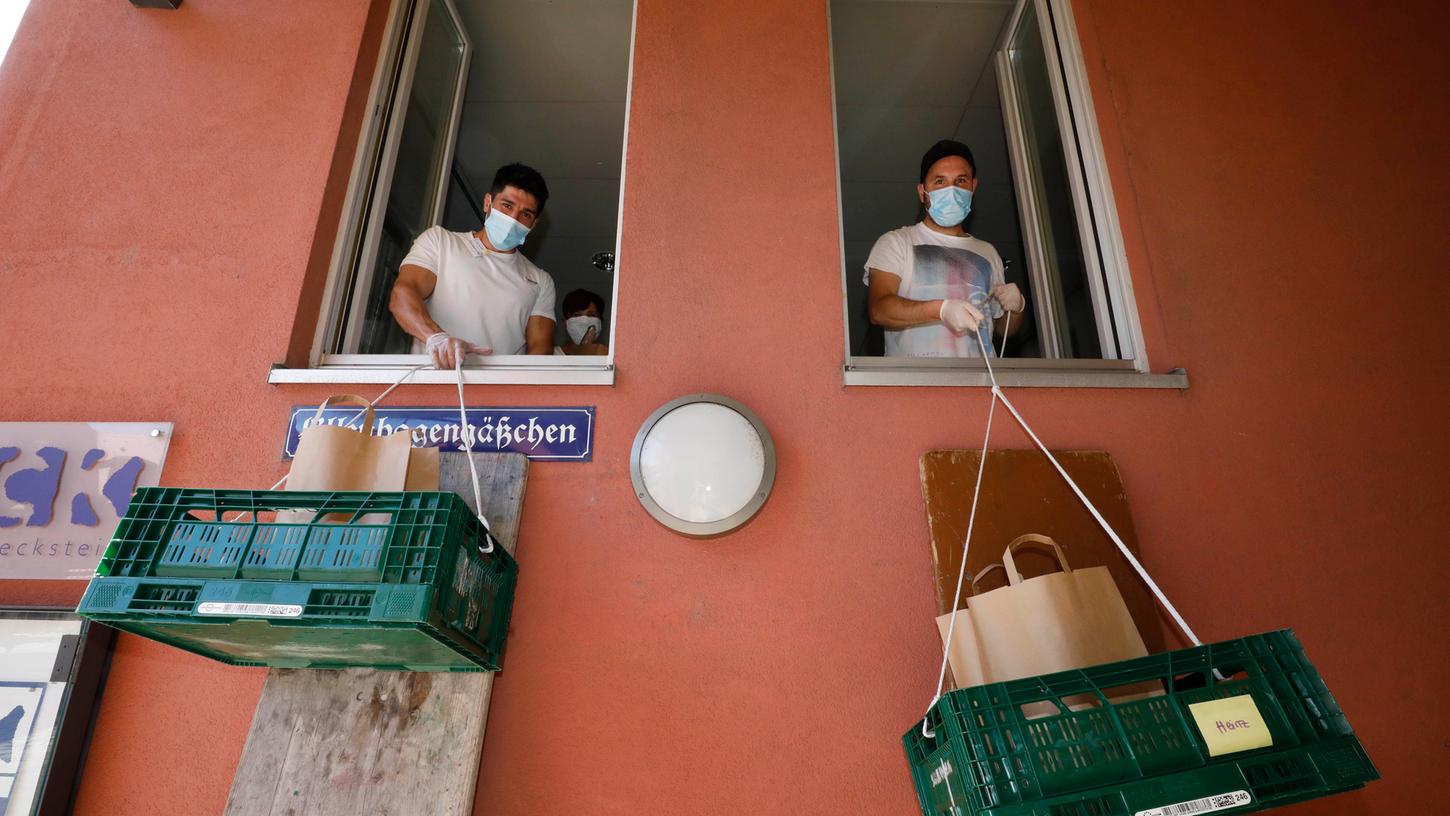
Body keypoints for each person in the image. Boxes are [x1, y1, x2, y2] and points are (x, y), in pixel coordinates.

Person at [864, 140, 1025, 357]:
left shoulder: (988, 252)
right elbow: (879, 310)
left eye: (961, 181)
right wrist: (941, 310)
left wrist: (1016, 309)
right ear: (923, 192)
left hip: (982, 384)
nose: (951, 190)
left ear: (973, 187)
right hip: (919, 385)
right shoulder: (897, 242)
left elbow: (1002, 329)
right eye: (940, 181)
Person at [389, 163, 558, 368]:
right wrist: (437, 339)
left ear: (534, 224)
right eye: (507, 205)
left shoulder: (540, 280)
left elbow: (540, 351)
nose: (513, 219)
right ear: (488, 202)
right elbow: (403, 294)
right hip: (431, 383)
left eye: (526, 214)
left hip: (497, 394)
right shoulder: (441, 242)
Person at [555, 288, 609, 356]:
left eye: (591, 315)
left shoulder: (608, 356)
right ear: (565, 322)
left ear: (601, 321)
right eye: (577, 315)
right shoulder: (552, 355)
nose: (584, 321)